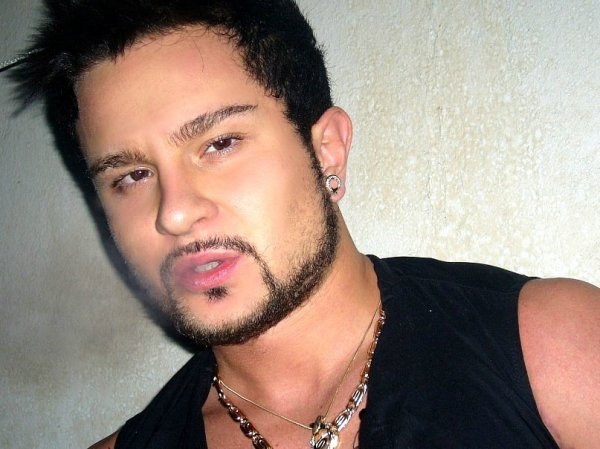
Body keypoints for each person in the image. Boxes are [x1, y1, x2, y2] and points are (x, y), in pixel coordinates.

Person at [12, 1, 599, 448]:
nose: (175, 212)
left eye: (219, 143)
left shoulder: (554, 348)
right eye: (131, 176)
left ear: (327, 150)